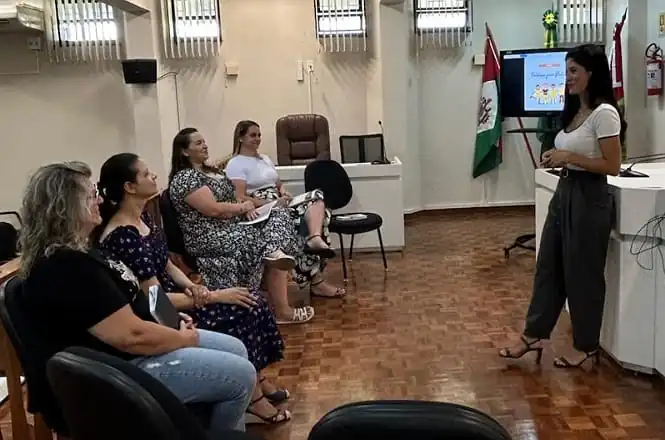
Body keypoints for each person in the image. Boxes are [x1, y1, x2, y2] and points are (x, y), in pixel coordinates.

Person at [17, 161, 256, 435]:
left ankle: (197, 425)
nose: (98, 199)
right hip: (119, 373)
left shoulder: (83, 252)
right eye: (88, 195)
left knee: (236, 348)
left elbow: (139, 300)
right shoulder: (65, 267)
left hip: (138, 347)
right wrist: (182, 338)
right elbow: (131, 336)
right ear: (64, 206)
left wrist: (173, 319)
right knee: (241, 375)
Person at [95, 153, 291, 424]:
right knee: (242, 307)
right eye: (145, 173)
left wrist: (194, 287)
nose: (153, 176)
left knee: (252, 300)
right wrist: (212, 296)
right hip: (162, 314)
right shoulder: (122, 236)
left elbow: (165, 263)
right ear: (129, 187)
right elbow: (155, 300)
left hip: (178, 296)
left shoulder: (143, 219)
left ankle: (256, 380)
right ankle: (252, 396)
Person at [499, 44, 625, 369]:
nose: (567, 78)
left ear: (591, 74)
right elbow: (574, 152)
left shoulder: (605, 113)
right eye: (566, 71)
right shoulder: (574, 111)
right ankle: (535, 334)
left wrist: (569, 157)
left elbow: (612, 165)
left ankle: (586, 346)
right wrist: (558, 158)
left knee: (582, 274)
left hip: (589, 197)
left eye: (574, 71)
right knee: (548, 267)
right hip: (565, 190)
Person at [169, 127, 315, 324]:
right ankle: (278, 296)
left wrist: (246, 208)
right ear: (185, 151)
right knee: (260, 239)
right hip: (208, 235)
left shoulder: (211, 171)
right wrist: (242, 207)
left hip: (232, 224)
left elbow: (233, 197)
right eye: (198, 143)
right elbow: (212, 210)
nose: (205, 146)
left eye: (204, 141)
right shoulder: (186, 178)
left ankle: (276, 255)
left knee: (279, 217)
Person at [225, 120, 345, 298]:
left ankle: (315, 238)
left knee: (318, 198)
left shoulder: (264, 159)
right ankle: (317, 280)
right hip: (263, 208)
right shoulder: (236, 163)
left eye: (259, 135)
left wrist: (284, 191)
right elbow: (240, 197)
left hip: (279, 201)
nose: (257, 139)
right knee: (300, 223)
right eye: (252, 135)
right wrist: (270, 202)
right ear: (240, 138)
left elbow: (278, 183)